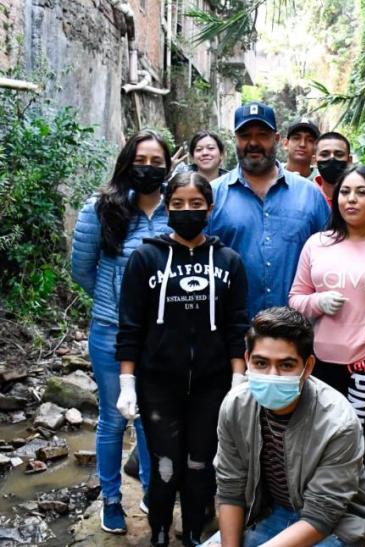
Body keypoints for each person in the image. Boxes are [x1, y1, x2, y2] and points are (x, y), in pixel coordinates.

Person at [115, 172, 249, 546]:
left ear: (210, 207)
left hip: (213, 383)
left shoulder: (229, 260)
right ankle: (158, 534)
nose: (187, 211)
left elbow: (238, 326)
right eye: (177, 204)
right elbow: (130, 327)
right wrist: (127, 383)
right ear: (166, 206)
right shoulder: (145, 258)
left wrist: (238, 379)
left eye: (196, 204)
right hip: (159, 384)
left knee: (200, 466)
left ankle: (191, 534)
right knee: (165, 468)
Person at [201, 307, 365, 547]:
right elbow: (231, 488)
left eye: (286, 365)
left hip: (335, 522)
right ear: (247, 361)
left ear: (308, 367)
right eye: (261, 363)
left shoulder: (337, 422)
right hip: (272, 511)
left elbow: (322, 514)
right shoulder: (236, 405)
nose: (272, 374)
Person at [70, 130, 168, 535]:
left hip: (160, 335)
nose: (148, 168)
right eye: (141, 160)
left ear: (167, 167)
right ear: (128, 162)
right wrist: (117, 305)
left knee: (149, 418)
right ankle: (111, 499)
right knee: (113, 418)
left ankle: (149, 489)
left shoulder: (174, 210)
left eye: (156, 162)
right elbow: (82, 268)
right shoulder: (102, 208)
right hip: (111, 332)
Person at [289, 165, 365, 477]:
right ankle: (318, 511)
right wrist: (318, 301)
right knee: (320, 437)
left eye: (361, 192)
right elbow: (295, 299)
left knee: (358, 438)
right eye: (345, 192)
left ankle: (355, 512)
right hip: (319, 362)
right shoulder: (316, 243)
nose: (351, 200)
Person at [208, 102, 330, 318]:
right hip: (233, 331)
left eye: (262, 135)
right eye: (245, 135)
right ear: (235, 139)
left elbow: (330, 258)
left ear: (276, 138)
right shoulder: (213, 196)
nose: (253, 143)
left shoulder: (310, 196)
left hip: (297, 332)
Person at [312, 132, 353, 208]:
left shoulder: (358, 198)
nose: (332, 158)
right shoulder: (306, 196)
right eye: (324, 154)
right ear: (314, 161)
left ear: (349, 161)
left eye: (339, 154)